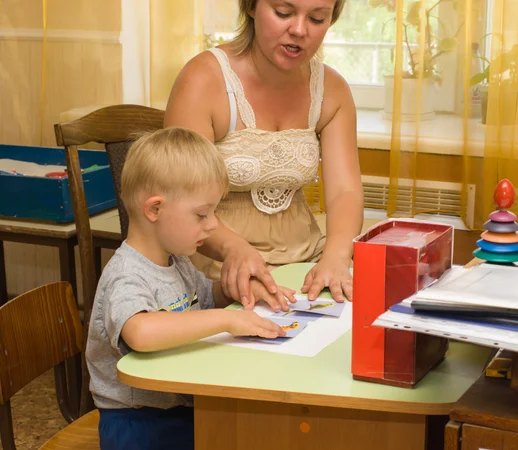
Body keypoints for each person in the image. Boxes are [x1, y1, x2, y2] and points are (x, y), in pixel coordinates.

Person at [86, 127, 294, 450]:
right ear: (154, 210)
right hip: (138, 426)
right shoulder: (126, 275)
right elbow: (141, 332)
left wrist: (240, 291)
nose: (212, 225)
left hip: (178, 411)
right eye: (202, 214)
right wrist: (228, 321)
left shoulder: (176, 260)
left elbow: (204, 297)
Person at [164, 0, 364, 309]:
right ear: (251, 7)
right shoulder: (203, 79)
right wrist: (235, 250)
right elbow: (181, 200)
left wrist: (336, 257)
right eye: (283, 13)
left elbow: (344, 190)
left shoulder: (332, 90)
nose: (299, 30)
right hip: (218, 268)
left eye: (317, 18)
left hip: (306, 265)